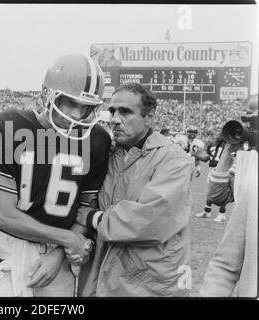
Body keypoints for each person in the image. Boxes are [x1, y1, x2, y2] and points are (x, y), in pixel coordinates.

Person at [0, 53, 111, 297]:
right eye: (70, 103)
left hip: (59, 258)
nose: (77, 114)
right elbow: (5, 216)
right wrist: (67, 239)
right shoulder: (9, 126)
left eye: (85, 107)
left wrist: (58, 253)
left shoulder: (97, 140)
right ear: (47, 94)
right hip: (12, 249)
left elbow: (85, 211)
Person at [75, 82, 195, 297]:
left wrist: (92, 218)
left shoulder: (174, 160)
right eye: (112, 111)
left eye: (125, 112)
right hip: (105, 276)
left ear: (149, 117)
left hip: (150, 283)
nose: (114, 119)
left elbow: (150, 221)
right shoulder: (109, 155)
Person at [199, 100, 258, 297]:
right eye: (249, 122)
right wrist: (228, 151)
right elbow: (217, 196)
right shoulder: (251, 168)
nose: (251, 129)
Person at [195, 133, 232, 222]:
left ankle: (222, 213)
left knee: (223, 192)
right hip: (213, 169)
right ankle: (207, 211)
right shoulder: (214, 144)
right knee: (210, 191)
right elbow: (208, 157)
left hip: (223, 170)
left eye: (220, 135)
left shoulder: (228, 146)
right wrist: (196, 155)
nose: (218, 136)